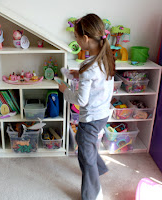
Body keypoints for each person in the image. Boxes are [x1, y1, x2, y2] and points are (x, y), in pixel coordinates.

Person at [59, 13, 115, 200]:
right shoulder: (105, 58)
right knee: (88, 146)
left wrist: (65, 90)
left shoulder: (88, 66)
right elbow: (97, 82)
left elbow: (81, 100)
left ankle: (93, 193)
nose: (75, 40)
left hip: (90, 119)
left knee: (85, 154)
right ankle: (100, 168)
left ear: (85, 38)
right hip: (103, 114)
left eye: (75, 37)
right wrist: (79, 74)